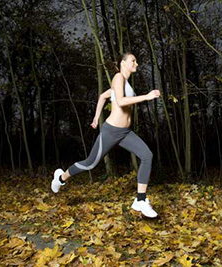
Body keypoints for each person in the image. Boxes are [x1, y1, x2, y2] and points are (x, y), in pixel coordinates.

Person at [51, 53, 160, 218]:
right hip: (111, 131)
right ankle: (61, 177)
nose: (136, 63)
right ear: (123, 63)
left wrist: (96, 116)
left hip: (125, 133)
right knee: (90, 164)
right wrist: (147, 96)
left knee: (147, 155)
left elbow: (103, 96)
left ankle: (140, 200)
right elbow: (121, 102)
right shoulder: (118, 77)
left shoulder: (124, 83)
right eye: (133, 61)